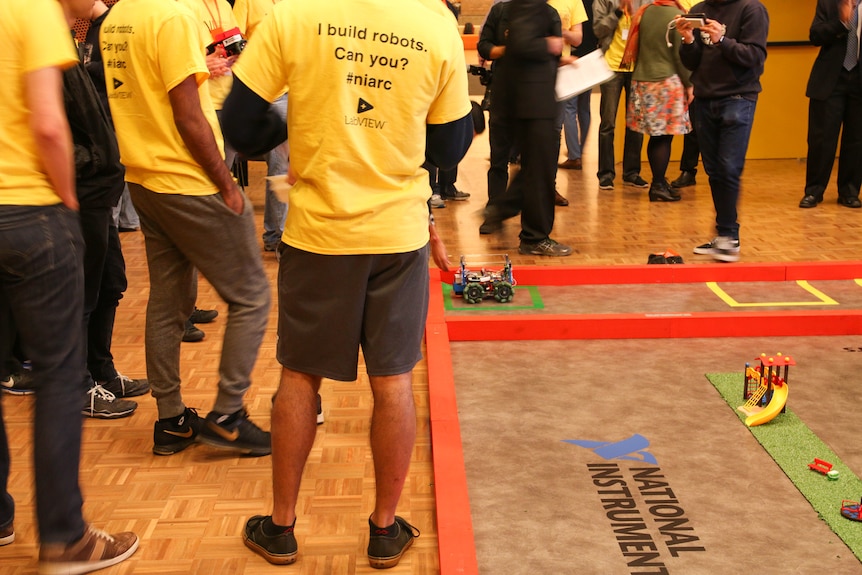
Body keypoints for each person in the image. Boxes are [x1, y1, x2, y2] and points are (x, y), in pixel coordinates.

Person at [220, 0, 472, 566]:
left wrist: (306, 119)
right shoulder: (435, 25)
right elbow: (452, 147)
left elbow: (238, 123)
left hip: (318, 233)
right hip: (396, 234)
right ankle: (384, 530)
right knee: (393, 382)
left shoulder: (292, 15)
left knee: (300, 376)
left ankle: (280, 527)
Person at [0, 0, 139, 571]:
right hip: (30, 214)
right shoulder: (28, 11)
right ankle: (65, 536)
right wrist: (68, 202)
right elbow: (50, 124)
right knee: (60, 374)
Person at [101, 0, 273, 456]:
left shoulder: (117, 18)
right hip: (189, 181)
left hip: (143, 178)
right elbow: (188, 114)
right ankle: (228, 416)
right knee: (252, 295)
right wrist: (226, 182)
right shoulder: (173, 17)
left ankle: (172, 420)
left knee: (169, 297)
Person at [63, 3, 152, 419]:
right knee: (81, 292)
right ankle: (78, 385)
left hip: (99, 186)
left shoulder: (73, 36)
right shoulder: (40, 34)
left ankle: (101, 371)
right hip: (79, 188)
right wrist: (88, 163)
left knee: (110, 282)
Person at [479, 0, 573, 257]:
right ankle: (534, 237)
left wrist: (559, 60)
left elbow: (525, 51)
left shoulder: (540, 8)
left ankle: (501, 210)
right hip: (532, 102)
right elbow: (520, 44)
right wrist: (548, 45)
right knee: (540, 171)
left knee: (535, 169)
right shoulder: (528, 6)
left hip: (528, 99)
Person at [677, 0, 769, 262]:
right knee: (715, 170)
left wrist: (722, 40)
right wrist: (687, 40)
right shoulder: (698, 10)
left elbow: (755, 57)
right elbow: (692, 62)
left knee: (729, 167)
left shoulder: (752, 9)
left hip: (738, 97)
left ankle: (730, 236)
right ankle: (725, 234)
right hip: (705, 98)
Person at [233, 0, 291, 250]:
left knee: (295, 165)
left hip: (297, 90)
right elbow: (234, 40)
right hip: (268, 93)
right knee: (279, 164)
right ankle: (277, 235)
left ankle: (287, 231)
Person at [622, 0, 692, 202]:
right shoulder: (677, 16)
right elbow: (680, 56)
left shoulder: (645, 12)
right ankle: (658, 185)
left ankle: (659, 183)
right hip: (665, 82)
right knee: (663, 137)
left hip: (642, 80)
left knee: (655, 136)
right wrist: (689, 84)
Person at [799, 0, 862, 209]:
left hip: (859, 80)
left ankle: (849, 192)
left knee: (856, 139)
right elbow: (815, 35)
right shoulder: (829, 2)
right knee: (821, 139)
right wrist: (842, 23)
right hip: (830, 79)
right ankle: (814, 191)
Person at [593, 0, 651, 191]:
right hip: (611, 67)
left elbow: (652, 30)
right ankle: (606, 174)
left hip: (638, 67)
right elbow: (598, 30)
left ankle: (632, 173)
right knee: (607, 123)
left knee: (635, 122)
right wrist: (617, 12)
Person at [548, 0, 588, 207]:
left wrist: (560, 31)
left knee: (555, 131)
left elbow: (578, 38)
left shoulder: (573, 2)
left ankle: (550, 187)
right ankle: (529, 188)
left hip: (561, 71)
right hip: (534, 72)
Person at [559, 0, 598, 172]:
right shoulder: (591, 3)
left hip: (571, 58)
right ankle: (579, 150)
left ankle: (575, 155)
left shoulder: (572, 3)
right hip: (590, 56)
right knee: (584, 107)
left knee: (569, 108)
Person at [669, 0, 702, 189]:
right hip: (678, 65)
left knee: (697, 127)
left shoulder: (703, 5)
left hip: (701, 70)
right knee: (690, 126)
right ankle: (688, 171)